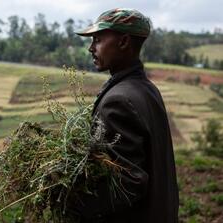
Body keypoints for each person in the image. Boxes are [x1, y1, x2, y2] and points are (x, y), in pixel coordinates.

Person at [65, 8, 179, 223]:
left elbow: (127, 181)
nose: (91, 48)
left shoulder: (119, 101)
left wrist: (72, 202)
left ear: (124, 41)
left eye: (98, 40)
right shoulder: (146, 89)